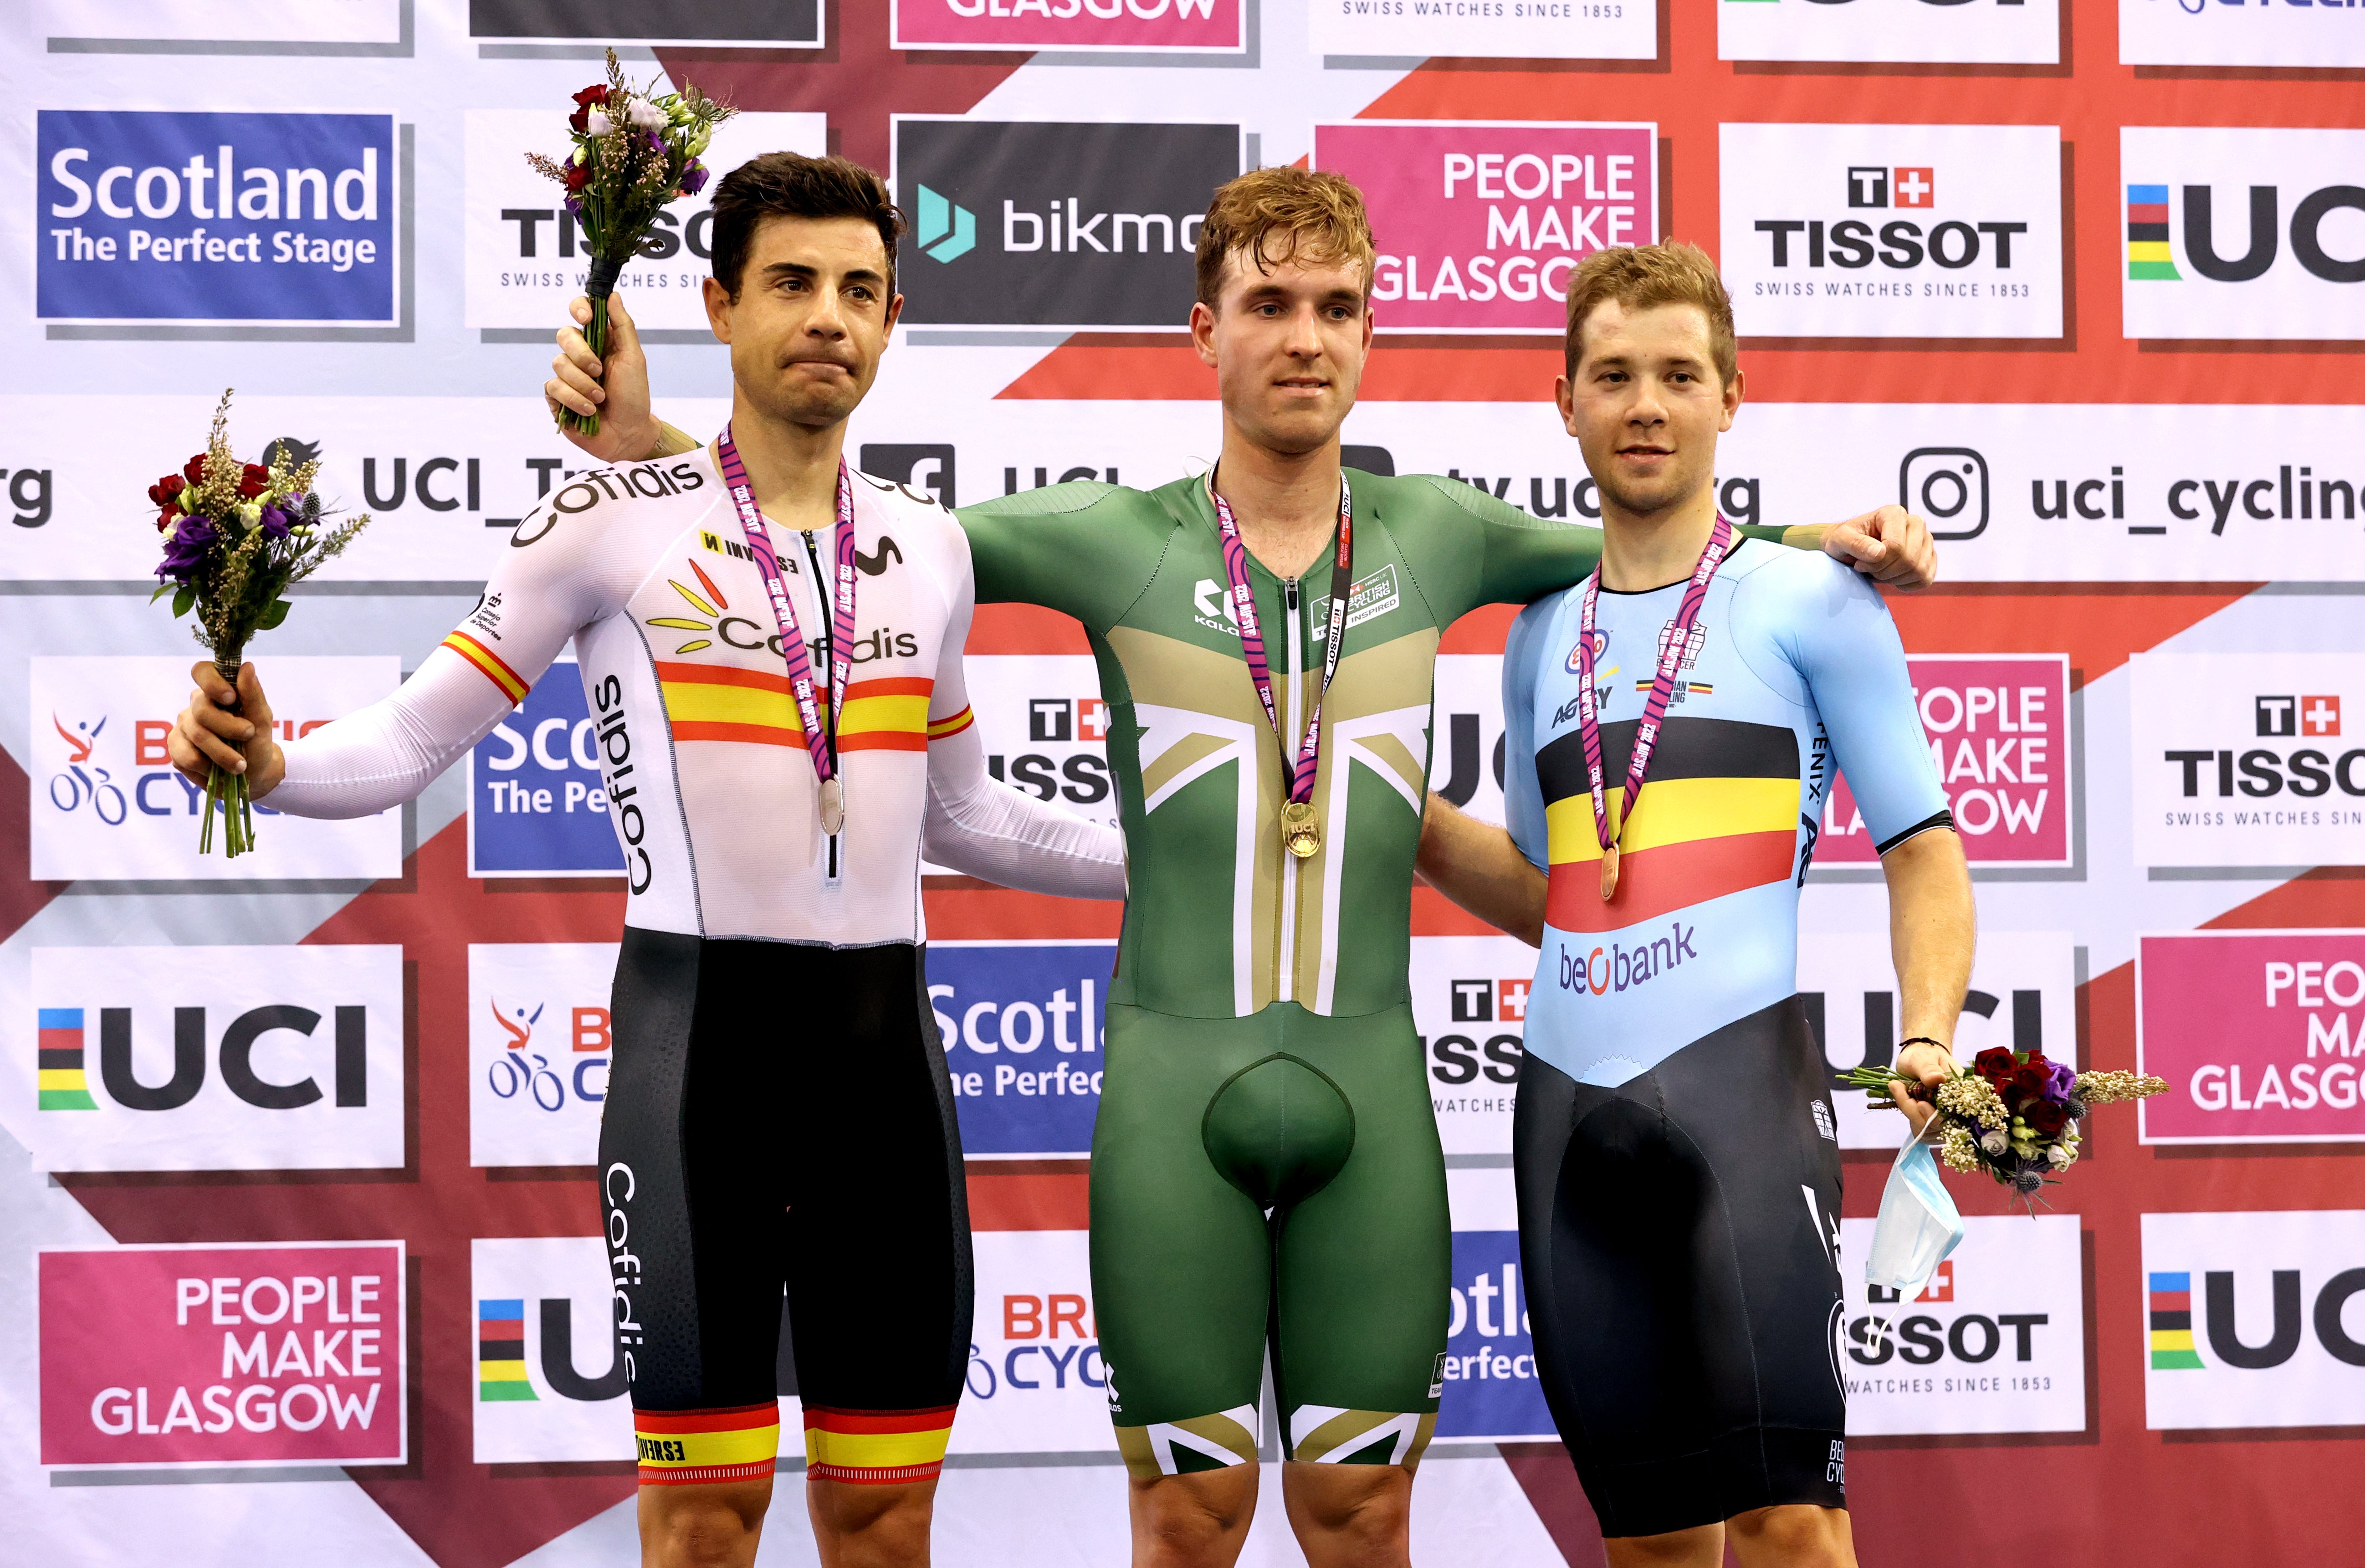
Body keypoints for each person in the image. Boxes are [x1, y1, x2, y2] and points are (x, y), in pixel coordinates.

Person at [548, 166, 1941, 1568]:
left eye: (1338, 308)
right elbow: (849, 534)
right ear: (1202, 332)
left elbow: (1661, 534)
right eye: (1269, 304)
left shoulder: (1443, 533)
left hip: (1372, 1096)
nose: (1305, 338)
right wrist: (657, 436)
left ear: (1370, 336)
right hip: (1175, 1095)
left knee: (1359, 1513)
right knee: (1189, 1514)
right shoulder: (1115, 536)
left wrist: (1829, 539)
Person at [168, 154, 1126, 1568]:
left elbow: (970, 819)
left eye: (860, 290)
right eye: (792, 283)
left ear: (894, 317)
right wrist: (271, 764)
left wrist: (1181, 861)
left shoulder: (928, 549)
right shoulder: (605, 520)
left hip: (887, 1074)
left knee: (883, 1518)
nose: (829, 318)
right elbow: (416, 737)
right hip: (700, 1063)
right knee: (701, 1521)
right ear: (720, 304)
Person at [1423, 241, 1976, 1568]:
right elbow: (1557, 897)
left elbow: (1926, 847)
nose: (1647, 404)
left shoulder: (1815, 600)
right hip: (1565, 1111)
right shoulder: (1539, 629)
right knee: (1652, 1536)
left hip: (1741, 1094)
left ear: (1732, 395)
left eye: (1679, 374)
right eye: (1614, 375)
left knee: (1792, 1518)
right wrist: (1411, 823)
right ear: (1565, 400)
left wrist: (1930, 1036)